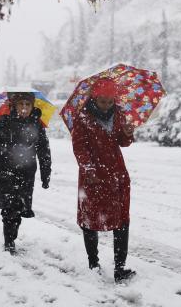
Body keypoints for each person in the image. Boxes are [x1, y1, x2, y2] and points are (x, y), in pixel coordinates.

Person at [71, 78, 136, 282]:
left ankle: (120, 268)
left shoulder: (119, 115)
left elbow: (122, 143)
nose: (106, 105)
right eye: (102, 101)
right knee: (90, 221)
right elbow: (79, 147)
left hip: (116, 175)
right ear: (94, 98)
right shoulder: (82, 118)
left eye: (110, 101)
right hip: (93, 178)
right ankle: (93, 263)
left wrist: (127, 134)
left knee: (122, 222)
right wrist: (89, 168)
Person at [0, 91, 52, 255]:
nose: (24, 107)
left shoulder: (37, 124)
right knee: (8, 208)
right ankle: (9, 242)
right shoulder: (4, 121)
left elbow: (44, 151)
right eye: (21, 104)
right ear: (14, 106)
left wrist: (46, 174)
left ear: (32, 106)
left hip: (27, 172)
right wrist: (4, 149)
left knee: (20, 208)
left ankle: (12, 234)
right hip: (5, 171)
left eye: (27, 104)